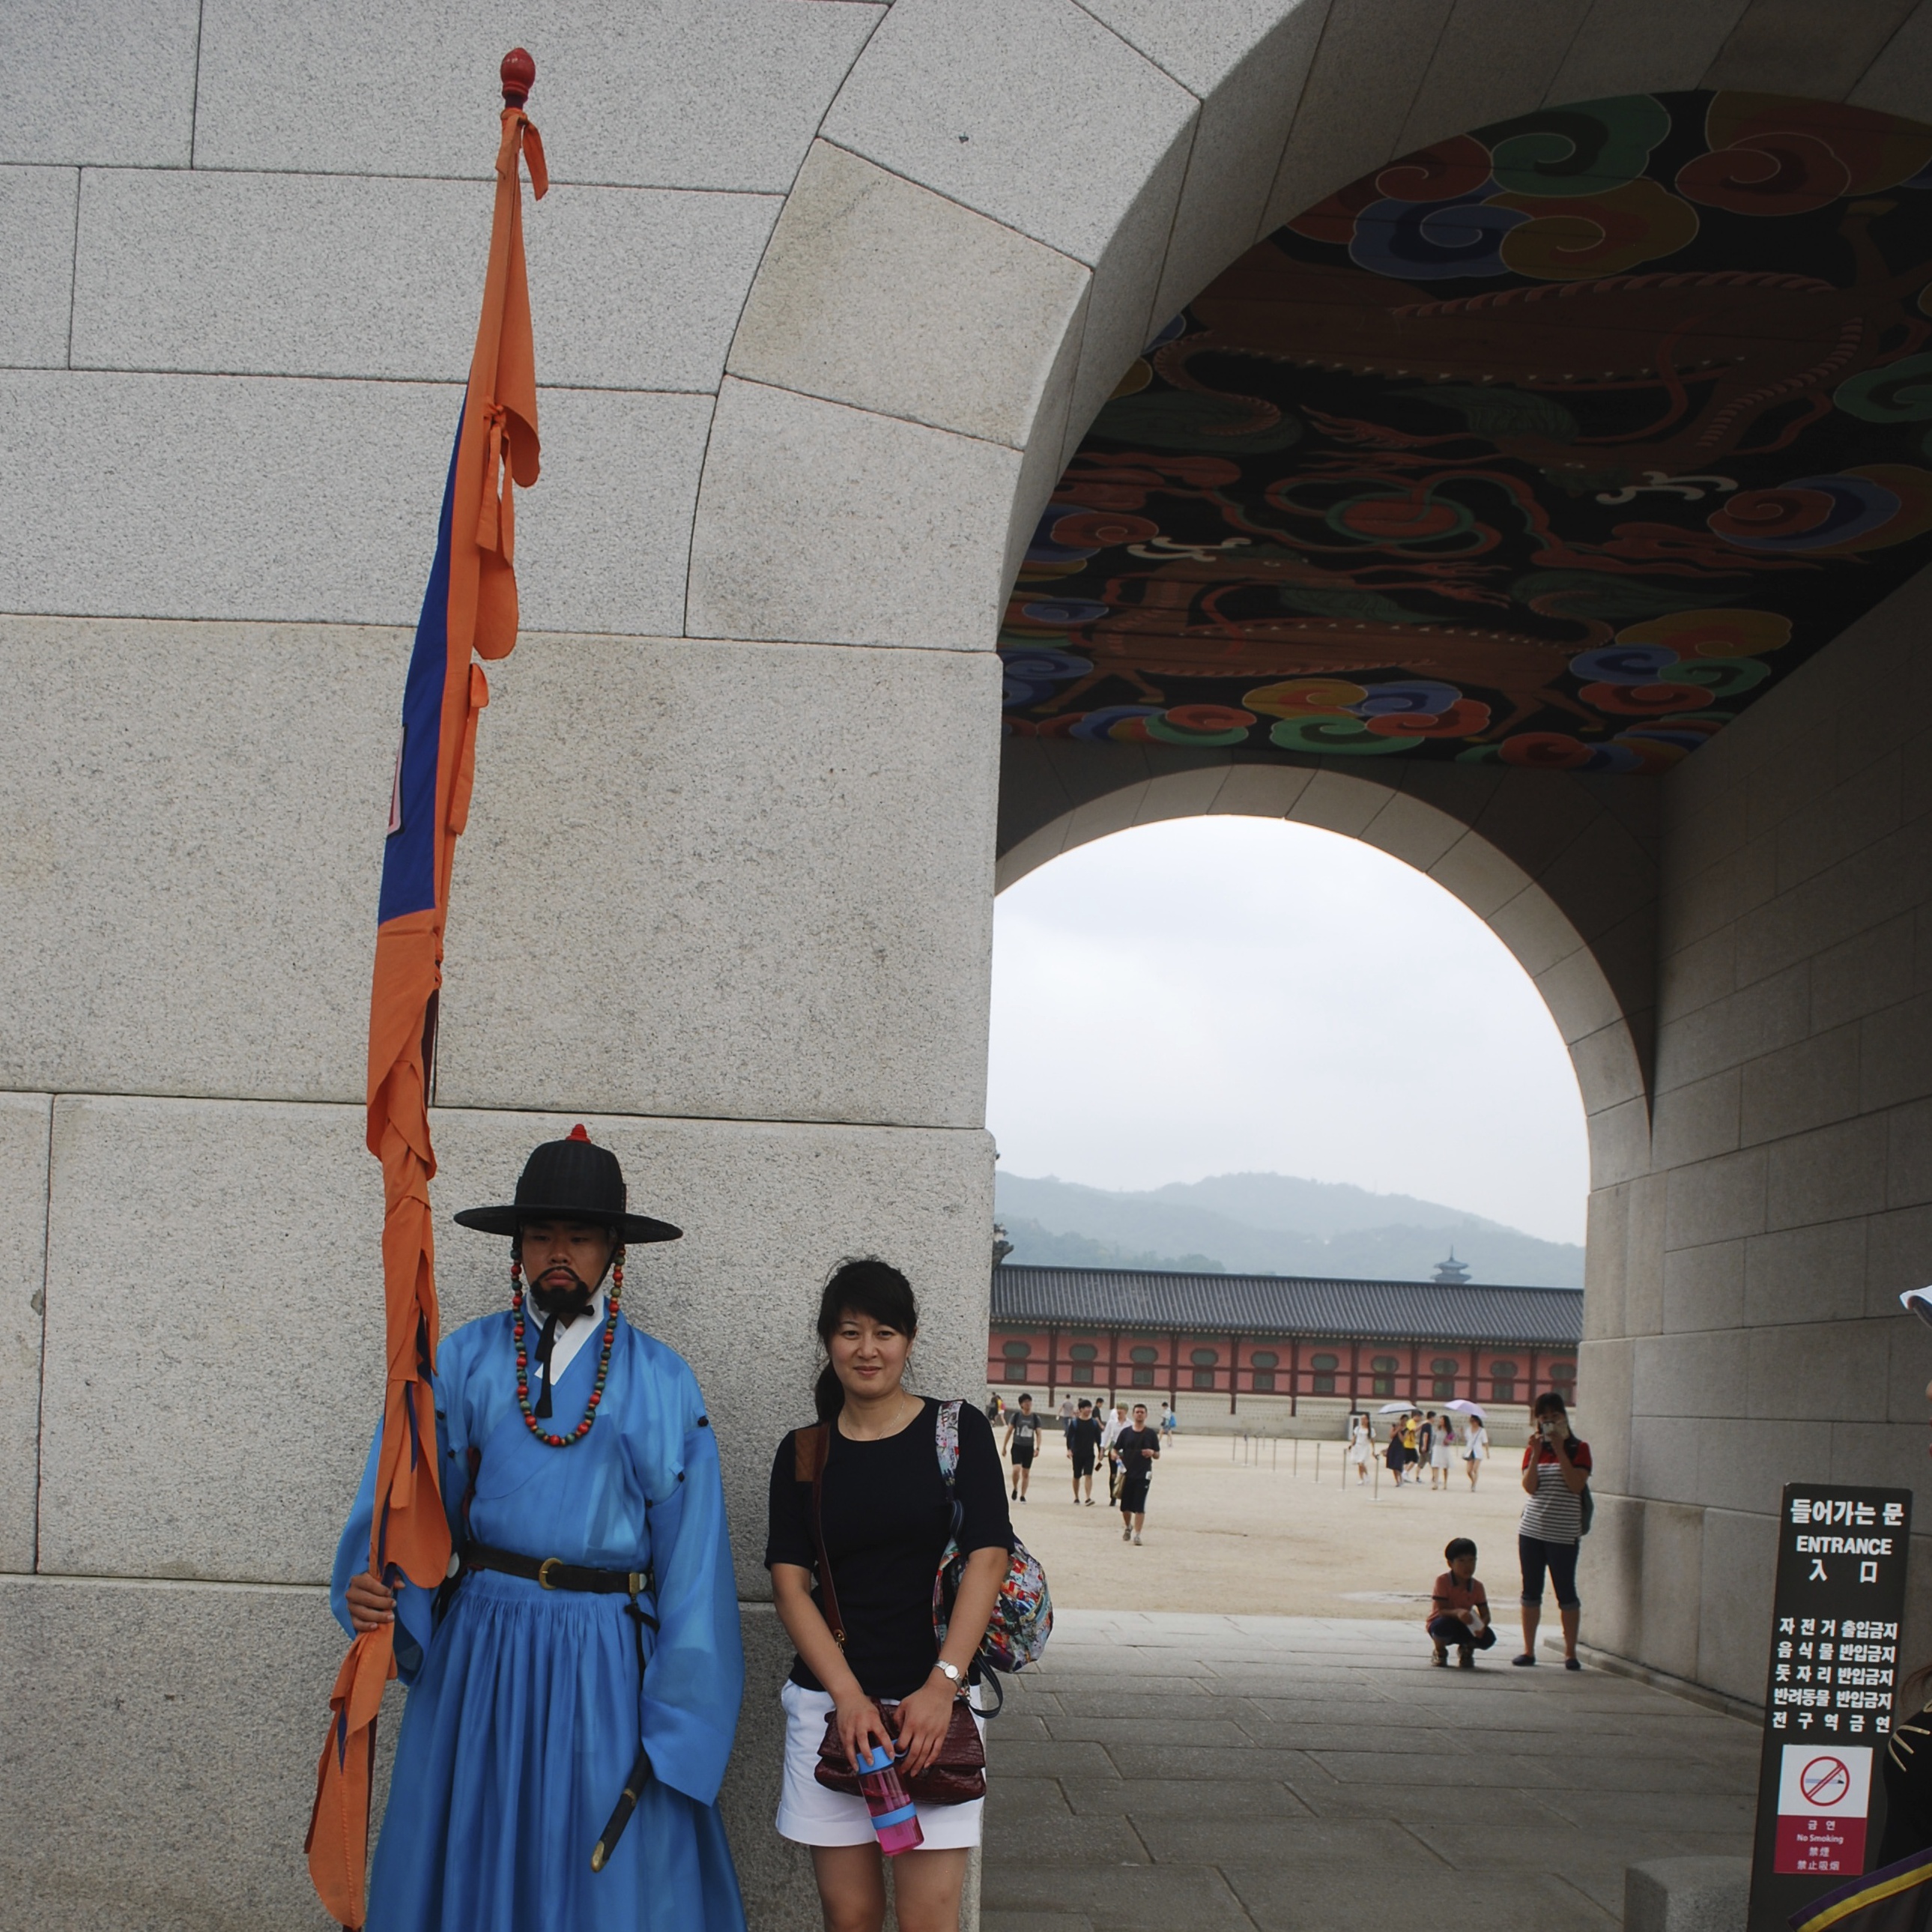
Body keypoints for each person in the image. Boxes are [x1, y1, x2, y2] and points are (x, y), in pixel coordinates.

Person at [334, 1126, 746, 1932]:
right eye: (542, 1234)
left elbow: (694, 1567)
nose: (559, 1251)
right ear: (517, 1247)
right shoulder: (463, 1361)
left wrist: (680, 1715)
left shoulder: (663, 1378)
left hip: (606, 1657)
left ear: (613, 1252)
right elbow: (410, 1504)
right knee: (473, 1842)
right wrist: (377, 1581)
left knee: (601, 1864)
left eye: (581, 1235)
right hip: (482, 1647)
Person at [766, 1261, 1012, 1932]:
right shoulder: (805, 1452)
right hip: (832, 1709)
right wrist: (846, 1697)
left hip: (935, 1711)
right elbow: (789, 1584)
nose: (866, 1348)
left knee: (930, 1918)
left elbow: (990, 1556)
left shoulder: (955, 1431)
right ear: (827, 1340)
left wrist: (943, 1683)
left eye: (884, 1331)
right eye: (849, 1331)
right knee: (850, 1917)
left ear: (908, 1339)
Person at [1513, 1392, 1591, 1671]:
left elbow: (1576, 1485)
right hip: (1532, 1530)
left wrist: (1560, 1449)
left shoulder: (1579, 1448)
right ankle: (1527, 1650)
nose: (1548, 1422)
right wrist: (1536, 1454)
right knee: (1530, 1591)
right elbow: (1530, 1487)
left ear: (1565, 1417)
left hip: (1564, 1533)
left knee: (1566, 1592)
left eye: (1554, 1417)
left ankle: (1570, 1653)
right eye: (1543, 1418)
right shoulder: (1534, 1449)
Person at [1426, 1537, 1497, 1668]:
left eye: (1472, 1561)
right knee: (1443, 1626)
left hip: (1467, 1624)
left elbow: (1485, 1613)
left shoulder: (1477, 1586)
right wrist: (1458, 1612)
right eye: (1462, 1561)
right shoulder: (1443, 1581)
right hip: (1444, 1621)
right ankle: (1440, 1651)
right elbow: (1441, 1610)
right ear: (1450, 1563)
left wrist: (1481, 1626)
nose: (1468, 1566)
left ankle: (1467, 1649)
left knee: (1488, 1638)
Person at [1115, 1402, 1161, 1544]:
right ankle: (1128, 1526)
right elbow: (1116, 1449)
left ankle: (1138, 1534)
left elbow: (1158, 1454)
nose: (1140, 1414)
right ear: (1133, 1414)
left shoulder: (1150, 1434)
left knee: (1140, 1505)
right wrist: (1115, 1456)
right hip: (1127, 1474)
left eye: (1142, 1412)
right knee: (1125, 1507)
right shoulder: (1126, 1433)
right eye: (1137, 1412)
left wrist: (1152, 1452)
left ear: (1146, 1415)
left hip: (1144, 1474)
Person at [1002, 1393, 1040, 1503]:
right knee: (1016, 1469)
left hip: (1029, 1447)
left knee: (1026, 1472)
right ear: (1021, 1404)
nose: (1028, 1404)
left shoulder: (1035, 1418)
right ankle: (1015, 1488)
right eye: (1025, 1402)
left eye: (1029, 1401)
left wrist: (1038, 1448)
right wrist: (1004, 1446)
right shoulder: (1016, 1416)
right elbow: (1009, 1431)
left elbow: (1038, 1433)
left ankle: (1023, 1495)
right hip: (1017, 1446)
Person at [1065, 1398, 1103, 1505]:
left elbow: (1098, 1438)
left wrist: (1101, 1451)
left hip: (1089, 1453)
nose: (1089, 1410)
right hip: (1077, 1453)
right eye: (1086, 1408)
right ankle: (1076, 1497)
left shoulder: (1094, 1423)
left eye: (1090, 1407)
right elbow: (1069, 1437)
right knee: (1077, 1476)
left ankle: (1088, 1497)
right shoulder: (1075, 1423)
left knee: (1088, 1475)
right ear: (1081, 1409)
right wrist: (1069, 1450)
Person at [1101, 1405, 1128, 1503]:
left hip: (1125, 1450)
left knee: (1125, 1473)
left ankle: (1124, 1494)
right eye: (1118, 1409)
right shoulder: (1112, 1423)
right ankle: (1113, 1496)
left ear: (1126, 1411)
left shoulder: (1130, 1424)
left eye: (1121, 1409)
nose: (1119, 1411)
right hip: (1114, 1449)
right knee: (1113, 1473)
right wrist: (1102, 1448)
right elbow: (1106, 1435)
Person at [1428, 1413, 1453, 1491]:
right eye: (1440, 1420)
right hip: (1437, 1447)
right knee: (1435, 1465)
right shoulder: (1437, 1429)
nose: (1441, 1421)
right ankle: (1436, 1483)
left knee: (1445, 1467)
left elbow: (1451, 1439)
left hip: (1444, 1448)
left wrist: (1448, 1441)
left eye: (1442, 1420)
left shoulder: (1450, 1431)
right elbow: (1434, 1439)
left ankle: (1445, 1483)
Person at [1463, 1414, 1489, 1489]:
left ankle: (1474, 1485)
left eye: (1473, 1421)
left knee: (1475, 1469)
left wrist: (1487, 1452)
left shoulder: (1482, 1430)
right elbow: (1465, 1440)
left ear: (1477, 1421)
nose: (1471, 1422)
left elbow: (1485, 1441)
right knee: (1468, 1471)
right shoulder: (1468, 1430)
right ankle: (1473, 1481)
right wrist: (1461, 1432)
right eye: (1471, 1421)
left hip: (1478, 1451)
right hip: (1470, 1450)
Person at [1347, 1414, 1372, 1486]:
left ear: (1367, 1420)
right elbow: (1354, 1438)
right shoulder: (1358, 1428)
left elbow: (1372, 1440)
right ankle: (1362, 1479)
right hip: (1358, 1446)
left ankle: (1366, 1475)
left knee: (1361, 1463)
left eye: (1364, 1419)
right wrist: (1351, 1445)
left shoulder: (1370, 1430)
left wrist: (1373, 1450)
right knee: (1359, 1463)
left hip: (1365, 1447)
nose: (1363, 1421)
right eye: (1362, 1419)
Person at [1385, 1418, 1408, 1485]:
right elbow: (1391, 1436)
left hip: (1400, 1448)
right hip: (1393, 1447)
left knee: (1398, 1464)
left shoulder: (1407, 1430)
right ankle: (1397, 1481)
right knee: (1393, 1465)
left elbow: (1403, 1440)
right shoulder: (1394, 1427)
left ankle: (1401, 1477)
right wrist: (1397, 1430)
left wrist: (1399, 1432)